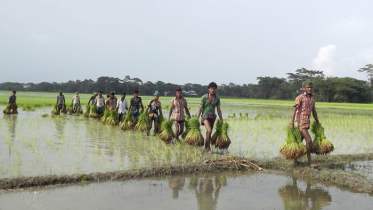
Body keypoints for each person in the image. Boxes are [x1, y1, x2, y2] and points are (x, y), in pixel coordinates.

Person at [291, 80, 320, 168]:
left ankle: (295, 161)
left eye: (311, 87)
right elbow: (294, 111)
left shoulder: (312, 98)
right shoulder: (300, 97)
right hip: (300, 123)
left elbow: (314, 111)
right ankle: (310, 162)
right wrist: (292, 124)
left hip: (307, 122)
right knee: (309, 140)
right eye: (308, 87)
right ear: (304, 88)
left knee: (299, 141)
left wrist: (317, 122)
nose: (310, 89)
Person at [196, 82, 223, 154]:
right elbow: (200, 108)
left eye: (214, 89)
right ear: (208, 89)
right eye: (211, 89)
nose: (213, 90)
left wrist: (221, 118)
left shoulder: (217, 98)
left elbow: (218, 109)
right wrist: (197, 117)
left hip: (213, 116)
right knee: (209, 130)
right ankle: (208, 148)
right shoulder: (204, 97)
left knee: (209, 133)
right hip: (205, 116)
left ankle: (206, 146)